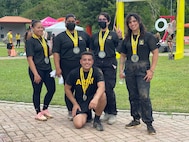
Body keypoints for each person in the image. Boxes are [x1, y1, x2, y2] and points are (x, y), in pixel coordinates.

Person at [119, 13, 158, 135]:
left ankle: (149, 123)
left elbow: (155, 53)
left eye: (134, 21)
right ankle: (136, 119)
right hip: (130, 69)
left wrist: (151, 70)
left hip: (143, 69)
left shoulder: (148, 37)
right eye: (130, 22)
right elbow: (123, 55)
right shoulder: (127, 38)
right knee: (133, 96)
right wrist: (121, 69)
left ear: (139, 22)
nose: (132, 24)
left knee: (144, 96)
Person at [52, 14, 91, 121]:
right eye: (69, 21)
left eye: (73, 21)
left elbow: (91, 48)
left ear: (76, 22)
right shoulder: (60, 37)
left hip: (82, 67)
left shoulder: (83, 34)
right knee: (69, 88)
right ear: (65, 23)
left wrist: (90, 62)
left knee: (84, 88)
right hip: (66, 67)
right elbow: (56, 53)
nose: (71, 23)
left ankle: (84, 109)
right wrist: (57, 67)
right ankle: (70, 110)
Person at [90, 12, 122, 125]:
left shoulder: (113, 35)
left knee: (109, 88)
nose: (101, 21)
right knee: (99, 89)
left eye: (104, 19)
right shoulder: (94, 36)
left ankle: (113, 113)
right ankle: (105, 112)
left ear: (108, 21)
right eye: (100, 19)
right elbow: (92, 50)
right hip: (98, 63)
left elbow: (120, 49)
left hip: (110, 63)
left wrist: (120, 37)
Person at [64, 51, 106, 131]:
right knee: (78, 124)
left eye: (89, 60)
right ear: (80, 61)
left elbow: (102, 87)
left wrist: (96, 99)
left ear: (92, 61)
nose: (87, 62)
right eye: (84, 60)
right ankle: (87, 115)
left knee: (102, 95)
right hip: (80, 102)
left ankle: (97, 120)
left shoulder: (97, 71)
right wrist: (75, 103)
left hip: (93, 100)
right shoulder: (74, 73)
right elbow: (67, 89)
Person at [26, 20, 56, 121]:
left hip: (47, 68)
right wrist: (35, 74)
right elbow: (30, 58)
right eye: (38, 27)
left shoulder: (43, 40)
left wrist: (53, 47)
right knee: (37, 91)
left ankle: (45, 109)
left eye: (41, 27)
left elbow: (47, 54)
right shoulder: (30, 41)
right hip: (37, 69)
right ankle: (38, 112)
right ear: (33, 28)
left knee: (52, 89)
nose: (40, 29)